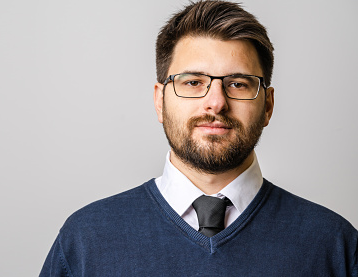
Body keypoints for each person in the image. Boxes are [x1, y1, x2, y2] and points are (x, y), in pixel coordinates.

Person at [39, 1, 358, 276]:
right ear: (160, 101)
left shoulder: (333, 244)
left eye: (238, 84)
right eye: (193, 82)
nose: (216, 102)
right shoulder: (85, 239)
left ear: (268, 106)